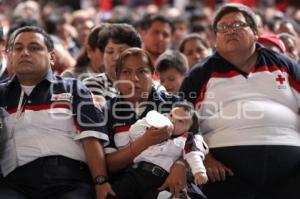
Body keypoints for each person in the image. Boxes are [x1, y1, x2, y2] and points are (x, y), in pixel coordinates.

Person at [180, 3, 300, 199]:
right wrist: (205, 158)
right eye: (223, 27)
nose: (230, 31)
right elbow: (181, 119)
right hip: (224, 172)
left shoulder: (284, 65)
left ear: (254, 31)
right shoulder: (200, 74)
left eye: (237, 25)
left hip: (291, 168)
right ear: (215, 38)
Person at [0, 26, 114, 199]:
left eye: (34, 47)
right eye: (18, 48)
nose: (24, 53)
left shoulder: (73, 88)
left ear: (52, 57)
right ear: (9, 56)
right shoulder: (2, 94)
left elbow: (91, 138)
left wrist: (101, 181)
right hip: (15, 182)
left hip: (69, 179)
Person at [103, 48, 206, 199]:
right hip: (129, 184)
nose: (134, 79)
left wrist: (181, 165)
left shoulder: (174, 104)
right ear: (117, 79)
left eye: (141, 71)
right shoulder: (108, 111)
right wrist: (145, 142)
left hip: (172, 180)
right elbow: (109, 165)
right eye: (126, 72)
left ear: (153, 76)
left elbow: (195, 140)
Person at [108, 103, 208, 199]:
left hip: (162, 179)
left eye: (180, 121)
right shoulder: (154, 131)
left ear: (189, 129)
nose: (172, 120)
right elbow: (133, 132)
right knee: (115, 193)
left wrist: (199, 171)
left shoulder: (186, 140)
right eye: (171, 115)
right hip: (137, 172)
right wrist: (150, 121)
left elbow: (193, 155)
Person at [83, 23, 142, 106]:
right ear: (102, 55)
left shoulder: (147, 84)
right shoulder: (92, 85)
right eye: (110, 52)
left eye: (122, 51)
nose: (116, 57)